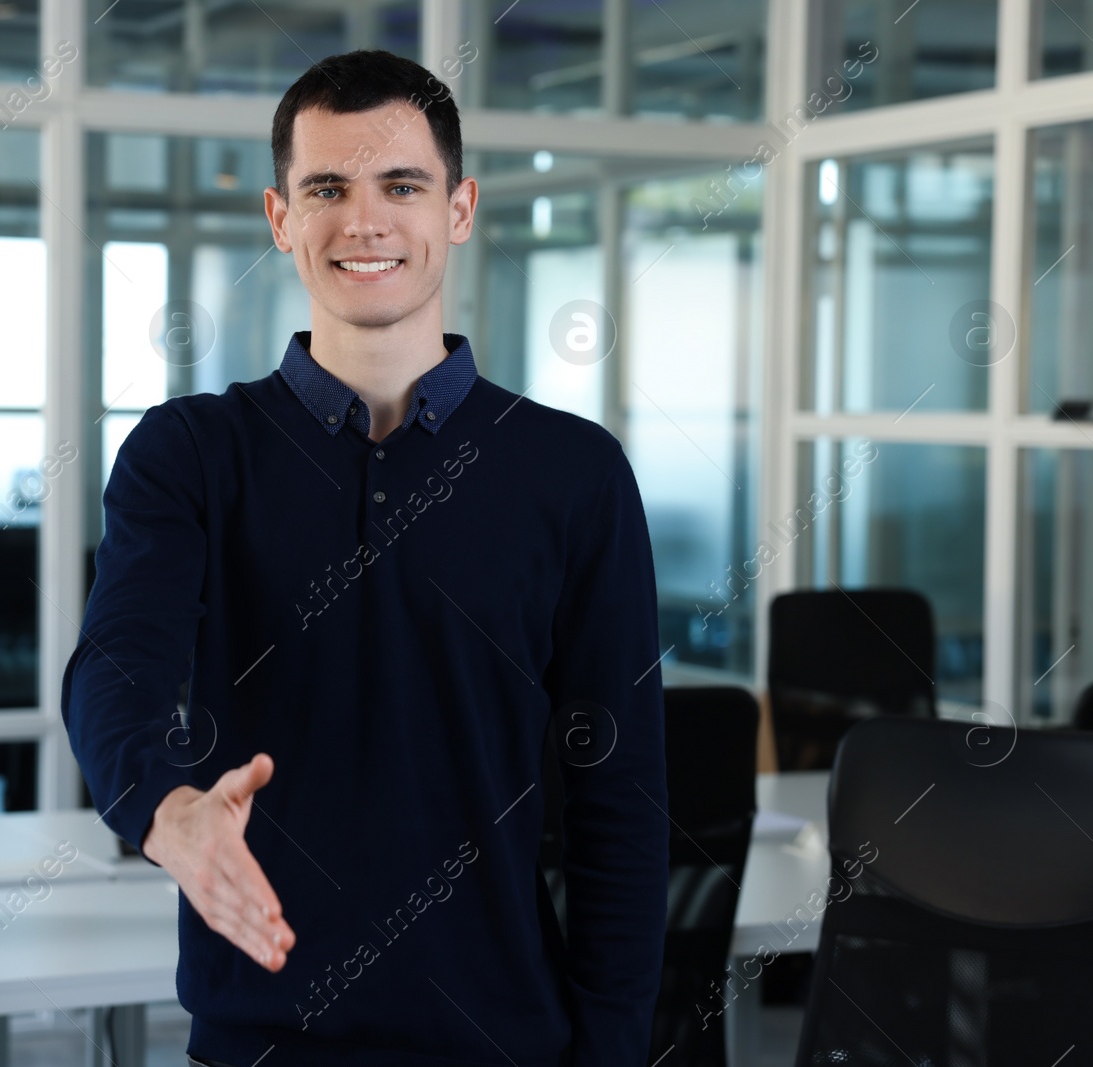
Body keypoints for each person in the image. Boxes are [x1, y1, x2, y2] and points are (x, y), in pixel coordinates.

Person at [61, 48, 669, 1067]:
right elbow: (114, 668)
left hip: (506, 1041)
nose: (365, 220)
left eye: (402, 185)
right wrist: (166, 808)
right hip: (261, 1039)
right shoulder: (191, 454)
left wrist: (609, 1048)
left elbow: (621, 799)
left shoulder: (574, 472)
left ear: (460, 208)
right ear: (280, 217)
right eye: (327, 188)